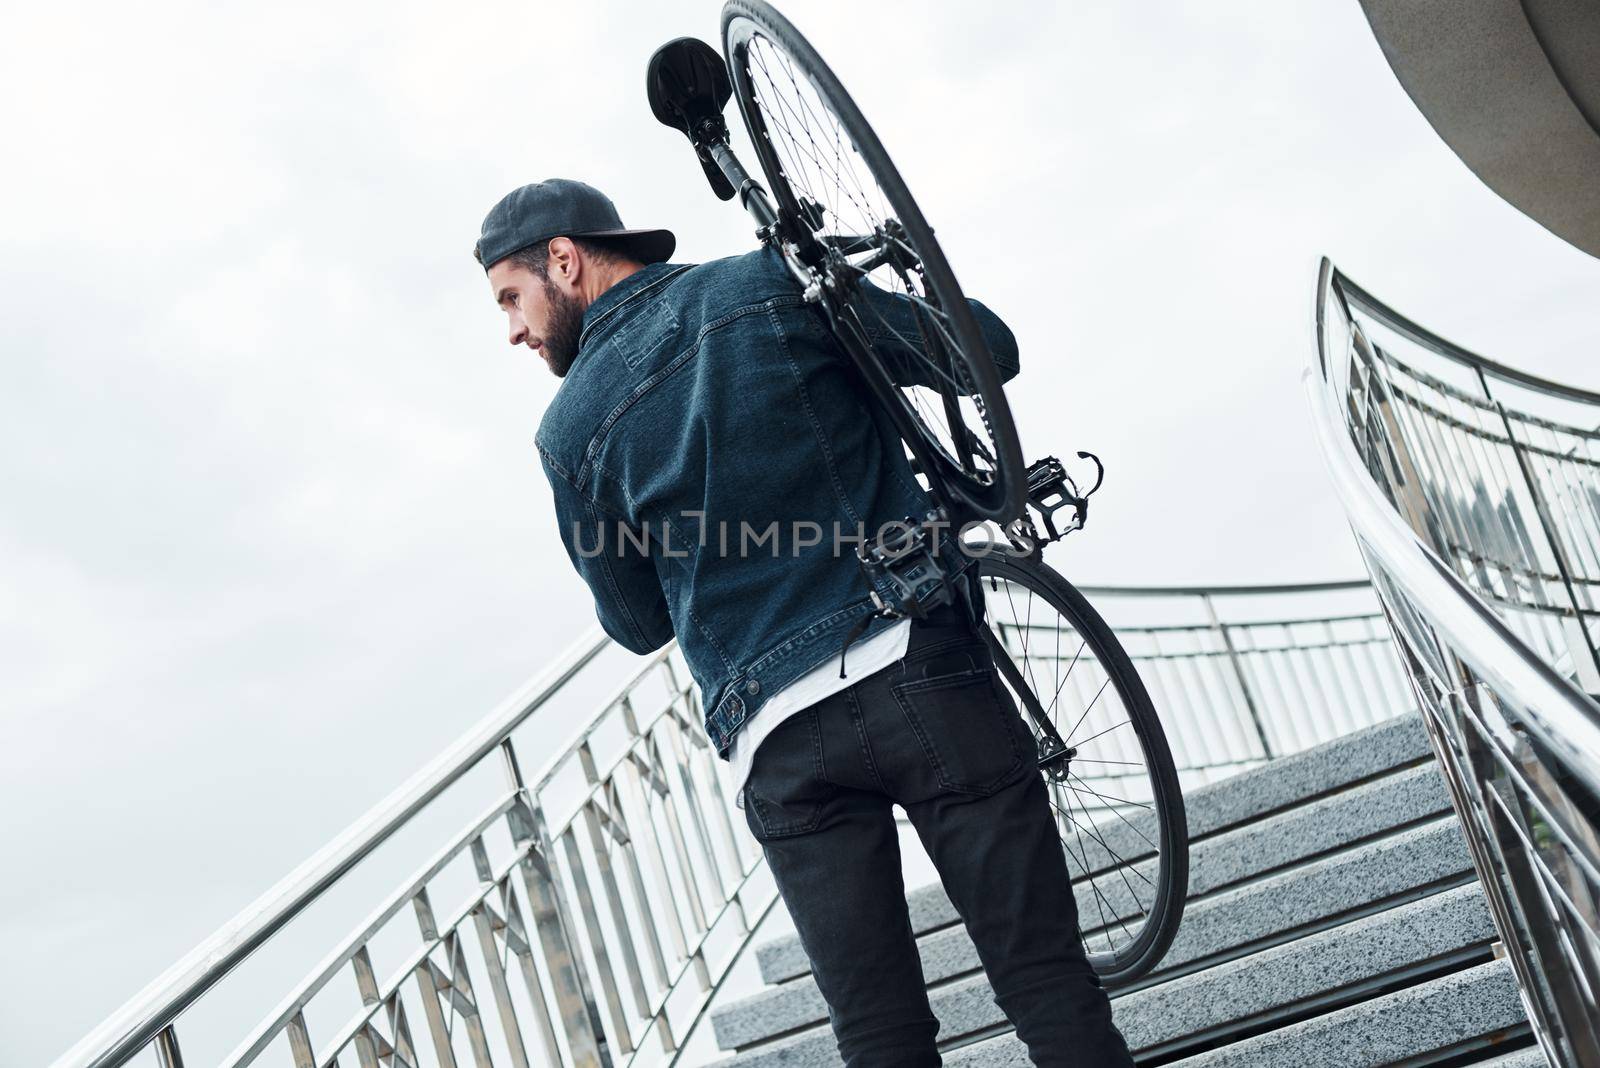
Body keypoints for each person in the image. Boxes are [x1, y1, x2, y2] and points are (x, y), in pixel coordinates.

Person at [475, 178, 1133, 1067]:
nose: (512, 329)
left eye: (511, 299)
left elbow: (636, 623)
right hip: (910, 659)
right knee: (1045, 980)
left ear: (564, 259)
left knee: (880, 1036)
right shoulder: (769, 283)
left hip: (779, 747)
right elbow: (984, 353)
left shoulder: (567, 432)